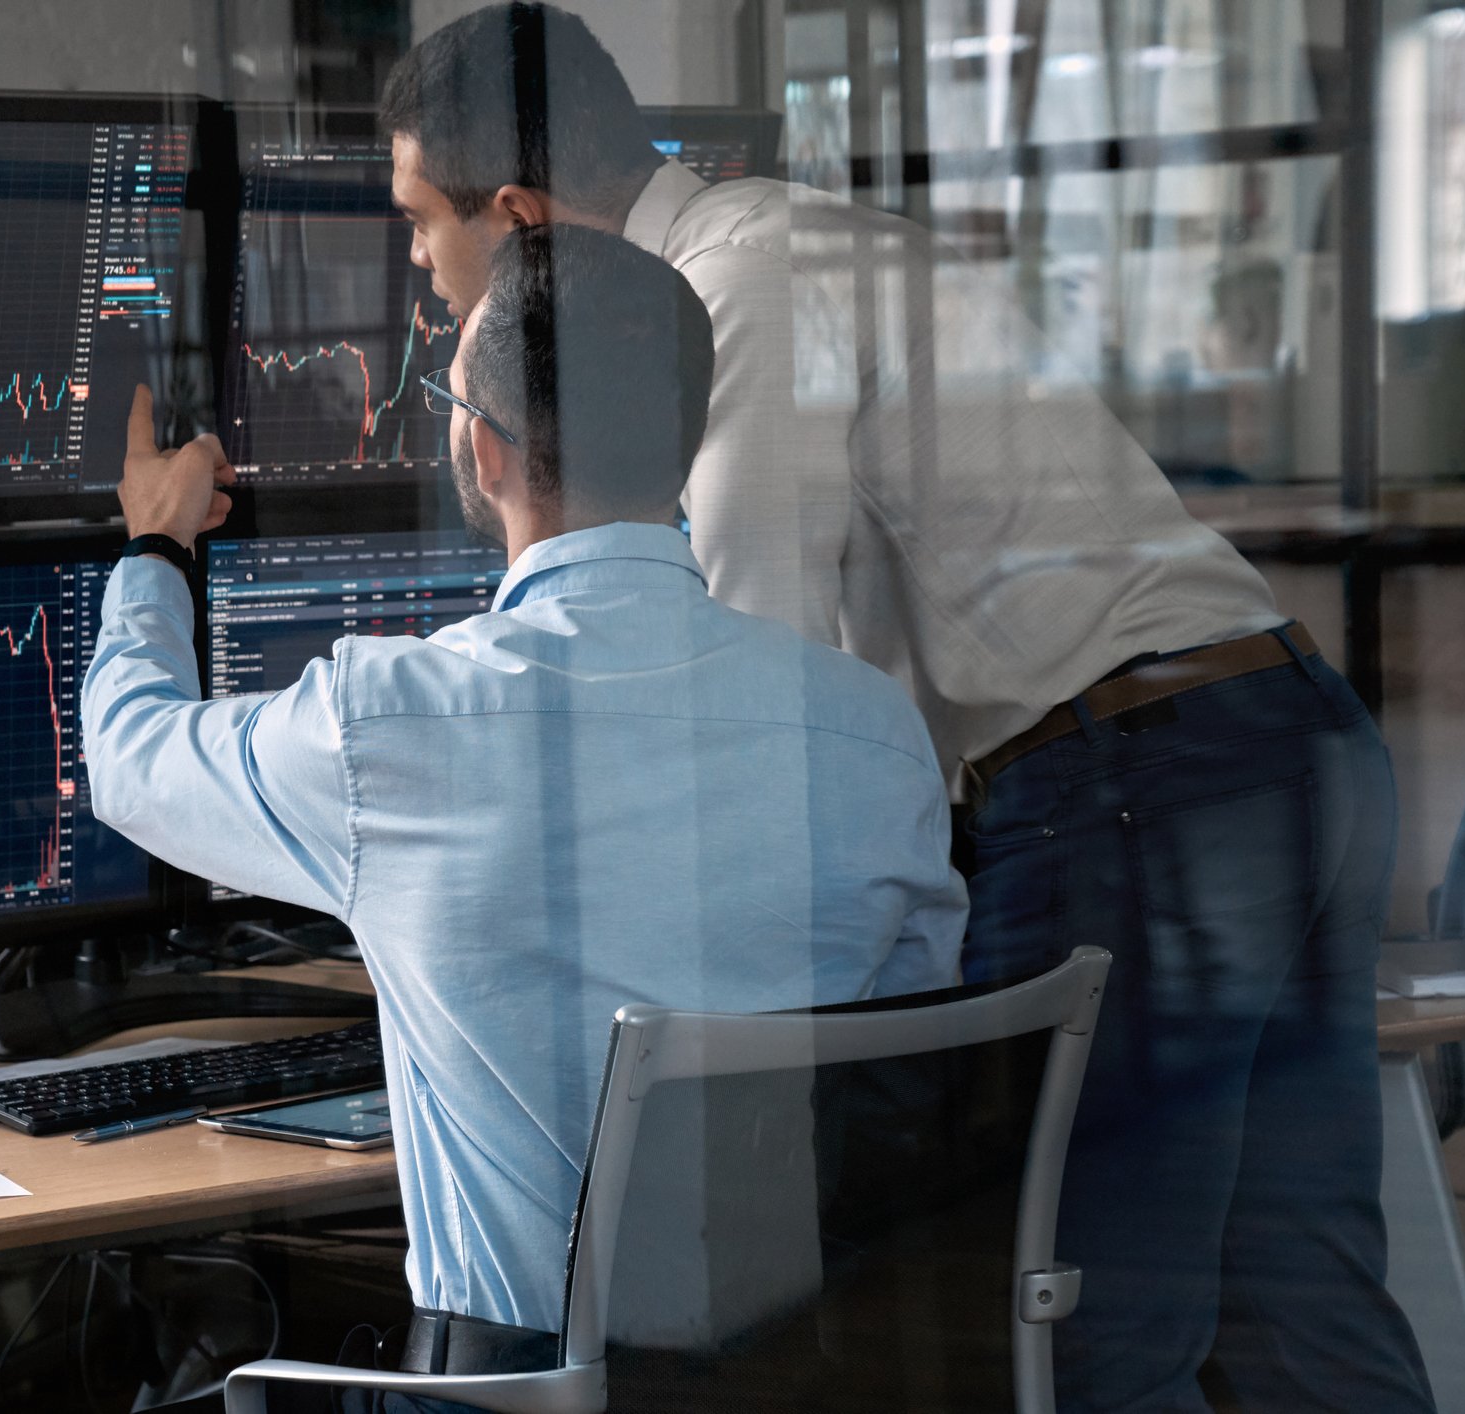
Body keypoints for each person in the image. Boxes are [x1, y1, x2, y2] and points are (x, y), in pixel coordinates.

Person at [376, 7, 1434, 1412]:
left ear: (513, 219)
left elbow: (739, 674)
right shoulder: (800, 234)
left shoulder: (728, 289)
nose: (413, 265)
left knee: (1073, 1323)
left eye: (417, 224)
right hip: (1280, 731)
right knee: (1299, 1284)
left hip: (1128, 779)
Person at [81, 224, 966, 1410]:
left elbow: (134, 760)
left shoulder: (386, 724)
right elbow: (908, 1058)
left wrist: (153, 544)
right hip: (800, 1374)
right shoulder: (873, 737)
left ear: (484, 450)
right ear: (687, 446)